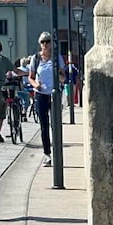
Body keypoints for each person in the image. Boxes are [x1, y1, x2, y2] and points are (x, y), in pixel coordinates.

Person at [29, 31, 65, 167]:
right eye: (43, 42)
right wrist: (35, 85)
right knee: (44, 125)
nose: (45, 44)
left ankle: (57, 152)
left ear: (51, 43)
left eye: (47, 41)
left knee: (55, 124)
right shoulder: (36, 58)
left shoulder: (57, 58)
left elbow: (63, 77)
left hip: (54, 94)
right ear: (40, 44)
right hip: (41, 94)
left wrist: (59, 75)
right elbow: (31, 77)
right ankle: (47, 154)